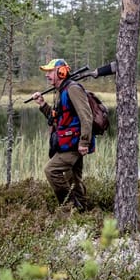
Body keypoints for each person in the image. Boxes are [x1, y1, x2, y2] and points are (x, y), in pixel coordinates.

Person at [30, 58, 94, 211]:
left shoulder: (73, 89)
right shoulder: (61, 91)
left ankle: (68, 207)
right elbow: (57, 120)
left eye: (50, 72)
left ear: (61, 72)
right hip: (68, 142)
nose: (47, 75)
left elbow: (87, 117)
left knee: (51, 171)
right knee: (74, 179)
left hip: (74, 143)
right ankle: (83, 213)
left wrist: (84, 142)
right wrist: (43, 105)